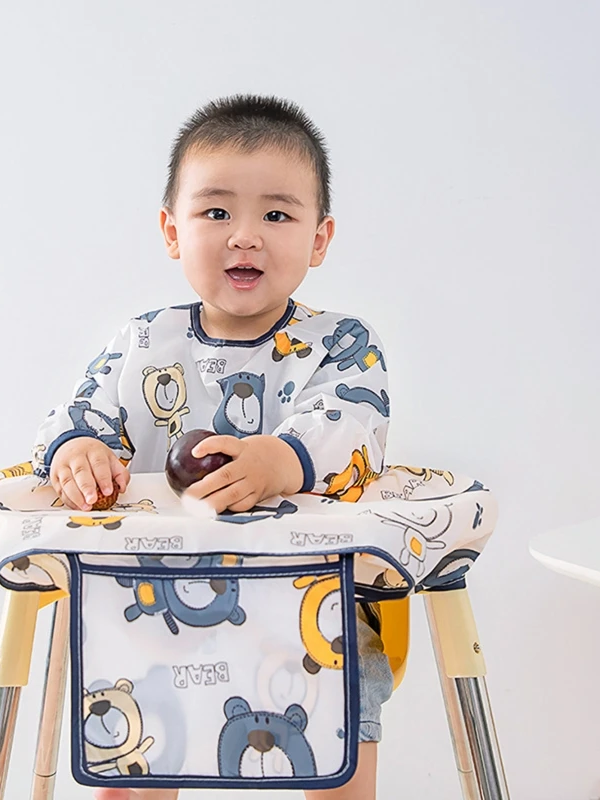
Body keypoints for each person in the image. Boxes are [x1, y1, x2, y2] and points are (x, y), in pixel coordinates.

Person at [33, 94, 394, 800]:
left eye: (277, 215)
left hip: (306, 606)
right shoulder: (144, 342)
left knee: (341, 742)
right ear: (173, 230)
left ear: (320, 239)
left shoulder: (341, 344)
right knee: (130, 748)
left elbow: (353, 425)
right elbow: (79, 414)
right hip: (154, 608)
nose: (246, 237)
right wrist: (79, 452)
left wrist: (280, 461)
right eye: (217, 212)